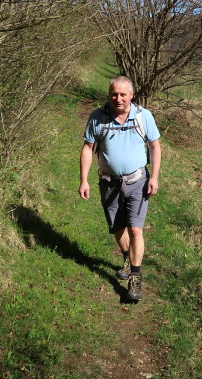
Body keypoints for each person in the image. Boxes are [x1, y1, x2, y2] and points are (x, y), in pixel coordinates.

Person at [78, 75, 161, 301]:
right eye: (114, 94)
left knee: (135, 229)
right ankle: (127, 256)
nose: (118, 98)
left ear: (131, 96)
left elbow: (155, 146)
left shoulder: (144, 117)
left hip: (138, 182)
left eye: (123, 94)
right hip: (109, 183)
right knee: (118, 227)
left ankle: (135, 277)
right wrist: (83, 180)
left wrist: (154, 177)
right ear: (109, 95)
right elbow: (88, 148)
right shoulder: (99, 117)